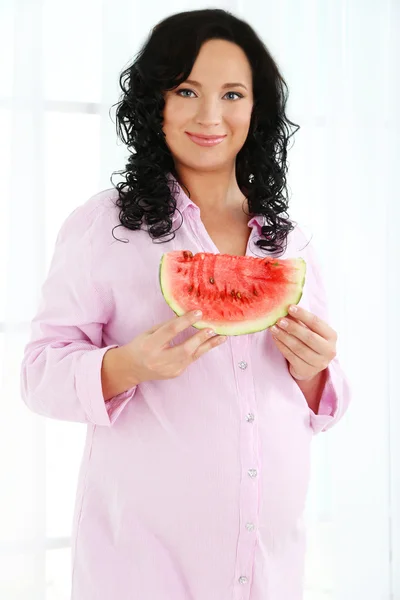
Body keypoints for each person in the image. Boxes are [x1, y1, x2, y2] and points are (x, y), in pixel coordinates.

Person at [20, 8, 351, 600]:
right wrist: (130, 365)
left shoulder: (287, 240)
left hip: (271, 569)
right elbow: (38, 372)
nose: (209, 115)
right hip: (141, 570)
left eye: (232, 93)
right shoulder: (107, 226)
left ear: (257, 109)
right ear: (157, 105)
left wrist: (316, 367)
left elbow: (319, 403)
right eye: (186, 90)